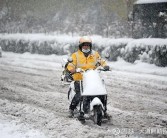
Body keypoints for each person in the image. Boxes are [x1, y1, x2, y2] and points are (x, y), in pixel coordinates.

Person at [67, 36, 110, 119]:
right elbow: (71, 64)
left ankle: (104, 111)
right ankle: (71, 109)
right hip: (79, 79)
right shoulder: (75, 55)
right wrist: (72, 69)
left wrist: (105, 66)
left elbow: (101, 61)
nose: (86, 47)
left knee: (102, 93)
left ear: (90, 46)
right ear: (80, 46)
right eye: (84, 45)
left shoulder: (95, 54)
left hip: (92, 78)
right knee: (80, 94)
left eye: (88, 45)